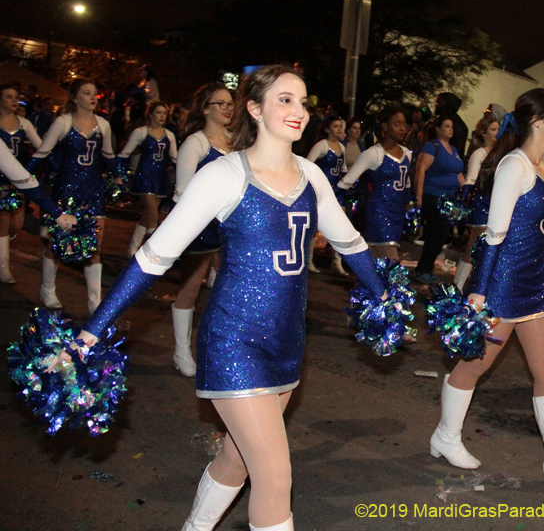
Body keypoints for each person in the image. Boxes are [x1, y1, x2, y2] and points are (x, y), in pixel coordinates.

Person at [50, 65, 386, 531]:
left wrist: (385, 295)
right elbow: (154, 256)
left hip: (288, 341)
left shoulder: (311, 176)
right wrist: (92, 329)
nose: (298, 111)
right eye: (284, 100)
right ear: (255, 108)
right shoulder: (225, 174)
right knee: (275, 475)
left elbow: (350, 243)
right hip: (235, 341)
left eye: (303, 101)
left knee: (238, 459)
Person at [429, 88, 544, 492]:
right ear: (538, 120)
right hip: (502, 285)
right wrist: (479, 293)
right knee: (475, 365)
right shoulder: (514, 166)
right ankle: (446, 436)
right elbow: (492, 235)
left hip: (536, 283)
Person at [28, 79, 119, 313]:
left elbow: (109, 156)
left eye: (95, 93)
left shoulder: (104, 125)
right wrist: (23, 176)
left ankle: (94, 303)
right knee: (57, 244)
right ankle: (47, 289)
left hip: (93, 190)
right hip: (66, 190)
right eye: (86, 93)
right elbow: (42, 153)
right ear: (75, 98)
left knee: (95, 246)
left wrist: (119, 175)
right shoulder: (63, 122)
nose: (92, 97)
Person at [169, 82, 233, 377]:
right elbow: (182, 193)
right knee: (191, 288)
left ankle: (224, 346)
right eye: (222, 103)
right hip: (202, 228)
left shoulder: (237, 141)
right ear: (206, 108)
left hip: (230, 227)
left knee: (232, 288)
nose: (229, 107)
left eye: (231, 102)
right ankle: (182, 350)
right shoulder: (195, 143)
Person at [337, 107, 411, 263]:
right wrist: (322, 196)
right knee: (392, 265)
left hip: (397, 214)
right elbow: (347, 181)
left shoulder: (407, 153)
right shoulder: (373, 153)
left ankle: (367, 286)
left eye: (404, 124)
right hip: (379, 212)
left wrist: (409, 204)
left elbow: (406, 183)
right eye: (397, 124)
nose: (402, 128)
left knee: (376, 265)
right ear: (384, 126)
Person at [119, 101, 178, 257]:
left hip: (160, 177)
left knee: (147, 215)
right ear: (151, 114)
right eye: (158, 113)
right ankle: (152, 251)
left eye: (164, 113)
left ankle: (133, 248)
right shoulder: (141, 132)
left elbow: (175, 158)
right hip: (144, 175)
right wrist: (115, 169)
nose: (162, 116)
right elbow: (125, 153)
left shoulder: (169, 135)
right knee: (153, 214)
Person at [0, 84, 44, 283]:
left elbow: (42, 147)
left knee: (16, 224)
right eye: (9, 97)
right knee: (3, 220)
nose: (13, 100)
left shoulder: (24, 123)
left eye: (16, 97)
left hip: (16, 179)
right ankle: (4, 269)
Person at [414, 113, 465, 283]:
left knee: (441, 235)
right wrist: (419, 196)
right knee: (438, 231)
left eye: (451, 127)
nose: (450, 129)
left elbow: (458, 173)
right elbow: (421, 170)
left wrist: (466, 191)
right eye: (446, 126)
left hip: (449, 198)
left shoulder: (454, 150)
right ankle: (423, 269)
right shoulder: (432, 146)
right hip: (433, 195)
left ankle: (425, 267)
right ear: (437, 129)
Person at [455, 109, 501, 290]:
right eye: (493, 129)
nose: (497, 133)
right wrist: (464, 203)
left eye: (498, 129)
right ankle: (457, 287)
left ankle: (480, 287)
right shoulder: (479, 154)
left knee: (489, 249)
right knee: (473, 248)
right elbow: (471, 180)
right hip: (481, 204)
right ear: (483, 133)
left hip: (497, 205)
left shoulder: (501, 155)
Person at [307, 115, 349, 276]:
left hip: (336, 192)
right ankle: (308, 261)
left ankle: (336, 262)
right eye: (335, 126)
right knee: (314, 226)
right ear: (327, 129)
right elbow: (308, 164)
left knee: (340, 227)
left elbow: (343, 169)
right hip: (321, 191)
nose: (339, 129)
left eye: (341, 126)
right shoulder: (322, 146)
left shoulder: (342, 148)